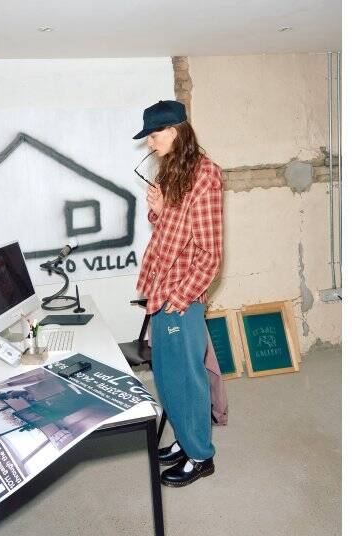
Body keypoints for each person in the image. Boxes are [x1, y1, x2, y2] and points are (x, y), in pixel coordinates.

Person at [133, 100, 223, 487]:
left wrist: (180, 298)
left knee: (187, 378)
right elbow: (172, 229)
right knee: (168, 376)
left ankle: (200, 455)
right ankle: (185, 440)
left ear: (174, 131)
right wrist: (157, 209)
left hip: (180, 296)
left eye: (154, 135)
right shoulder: (173, 171)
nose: (150, 143)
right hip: (162, 289)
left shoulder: (205, 176)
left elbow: (210, 253)